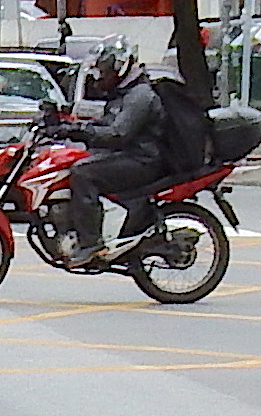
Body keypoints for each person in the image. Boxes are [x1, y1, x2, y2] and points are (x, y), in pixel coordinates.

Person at [45, 36, 172, 267]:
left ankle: (91, 242)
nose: (100, 75)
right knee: (72, 162)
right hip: (128, 155)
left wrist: (78, 131)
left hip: (142, 160)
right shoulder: (124, 93)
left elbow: (117, 133)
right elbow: (104, 125)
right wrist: (65, 125)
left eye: (104, 70)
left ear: (120, 66)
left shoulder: (139, 95)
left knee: (82, 173)